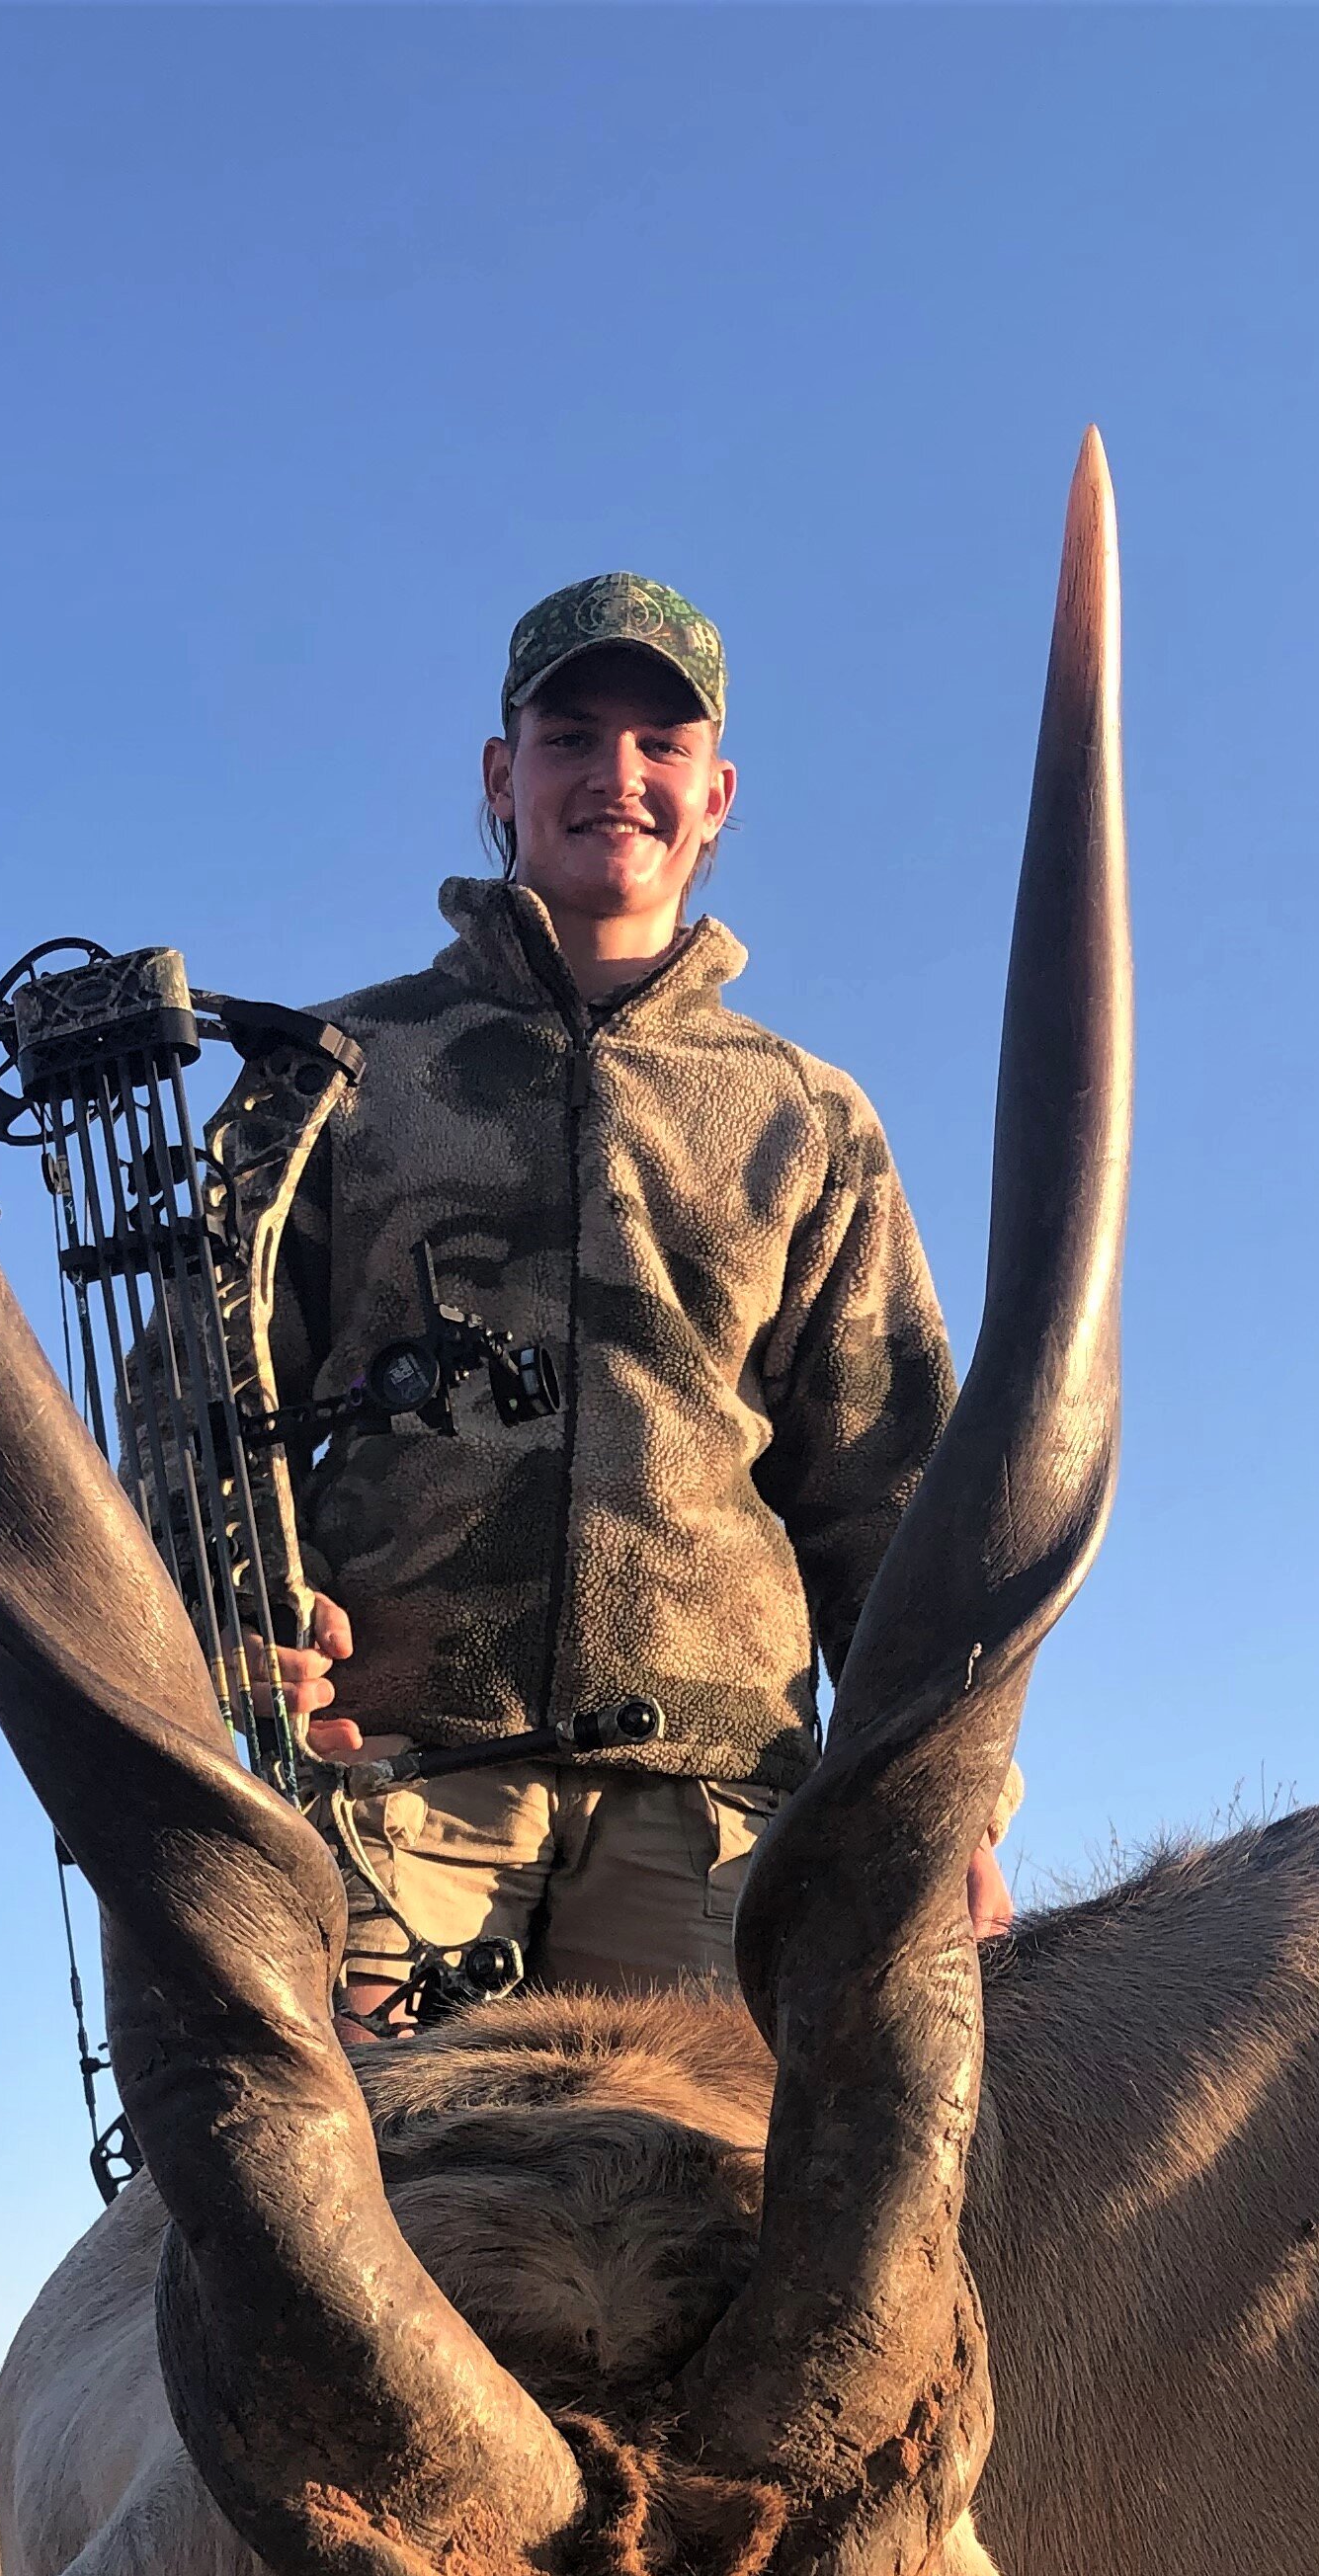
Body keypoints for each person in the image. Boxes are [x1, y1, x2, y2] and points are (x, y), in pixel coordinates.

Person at [256, 570, 1014, 2014]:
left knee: (718, 2222)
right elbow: (203, 1415)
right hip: (396, 1798)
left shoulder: (809, 1118)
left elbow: (895, 1498)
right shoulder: (339, 1071)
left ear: (717, 794)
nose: (619, 777)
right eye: (571, 737)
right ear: (502, 773)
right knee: (322, 2204)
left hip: (718, 1821)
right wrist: (241, 1628)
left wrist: (955, 1803)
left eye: (662, 747)